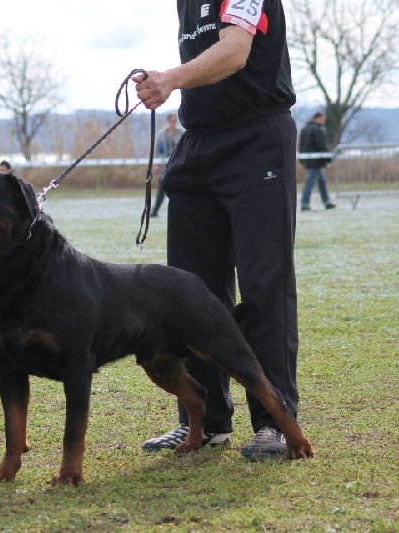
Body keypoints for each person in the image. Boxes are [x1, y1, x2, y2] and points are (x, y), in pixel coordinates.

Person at [134, 0, 301, 459]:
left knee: (265, 286)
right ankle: (204, 422)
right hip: (199, 143)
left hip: (256, 139)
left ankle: (275, 424)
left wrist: (168, 78)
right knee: (189, 293)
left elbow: (234, 52)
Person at [299, 112, 336, 211]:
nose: (324, 121)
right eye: (323, 119)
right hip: (316, 161)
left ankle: (327, 202)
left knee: (321, 181)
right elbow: (321, 146)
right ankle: (304, 203)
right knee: (310, 182)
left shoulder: (304, 130)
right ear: (318, 118)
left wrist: (301, 160)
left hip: (308, 160)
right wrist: (328, 159)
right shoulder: (317, 130)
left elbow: (301, 146)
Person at [152, 113, 185, 217]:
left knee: (178, 189)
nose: (173, 122)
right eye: (171, 120)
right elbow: (156, 150)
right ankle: (154, 211)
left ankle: (180, 212)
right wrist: (156, 164)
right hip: (163, 166)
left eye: (175, 120)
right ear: (168, 121)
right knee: (161, 189)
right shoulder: (161, 134)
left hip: (177, 165)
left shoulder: (182, 133)